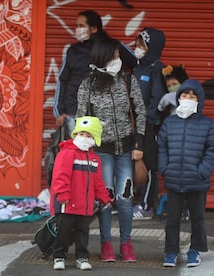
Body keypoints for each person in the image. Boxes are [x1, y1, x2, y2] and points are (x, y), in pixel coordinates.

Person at [76, 37, 146, 262]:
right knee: (104, 198)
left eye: (118, 55)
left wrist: (139, 144)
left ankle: (126, 244)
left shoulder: (128, 81)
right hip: (100, 152)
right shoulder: (87, 84)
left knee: (125, 198)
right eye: (114, 55)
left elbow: (140, 112)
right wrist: (85, 146)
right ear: (102, 57)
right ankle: (106, 244)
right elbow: (82, 118)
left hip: (126, 149)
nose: (118, 59)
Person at [157, 79, 214, 268]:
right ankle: (170, 252)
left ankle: (195, 250)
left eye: (193, 96)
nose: (188, 99)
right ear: (178, 98)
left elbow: (213, 149)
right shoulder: (169, 122)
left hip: (197, 181)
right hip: (174, 179)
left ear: (199, 100)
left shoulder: (207, 124)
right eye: (184, 95)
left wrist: (202, 171)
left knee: (198, 218)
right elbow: (162, 146)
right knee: (172, 220)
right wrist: (165, 168)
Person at [54, 10, 136, 134]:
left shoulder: (112, 46)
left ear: (94, 28)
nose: (77, 29)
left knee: (102, 153)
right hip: (75, 113)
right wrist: (59, 112)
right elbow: (63, 80)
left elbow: (137, 64)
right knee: (78, 152)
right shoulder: (74, 50)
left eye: (81, 26)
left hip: (106, 113)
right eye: (76, 26)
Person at [50, 116, 112, 271]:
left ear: (95, 139)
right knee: (63, 231)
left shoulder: (95, 159)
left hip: (85, 205)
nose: (84, 138)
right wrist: (62, 194)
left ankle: (82, 257)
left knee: (82, 232)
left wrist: (104, 198)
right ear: (75, 134)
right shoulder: (67, 153)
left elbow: (98, 182)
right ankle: (59, 256)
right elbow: (60, 176)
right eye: (82, 134)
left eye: (89, 135)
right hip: (67, 203)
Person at [132, 27, 168, 220]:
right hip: (135, 125)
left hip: (150, 125)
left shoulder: (157, 69)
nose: (137, 48)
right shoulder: (138, 68)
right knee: (136, 164)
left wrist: (146, 120)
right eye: (137, 44)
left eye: (141, 45)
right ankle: (138, 202)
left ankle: (146, 206)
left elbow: (158, 100)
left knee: (150, 165)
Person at [157, 64, 190, 221]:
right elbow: (160, 107)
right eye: (169, 85)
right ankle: (177, 209)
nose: (172, 88)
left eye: (174, 84)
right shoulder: (169, 99)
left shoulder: (189, 98)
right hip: (172, 142)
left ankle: (186, 209)